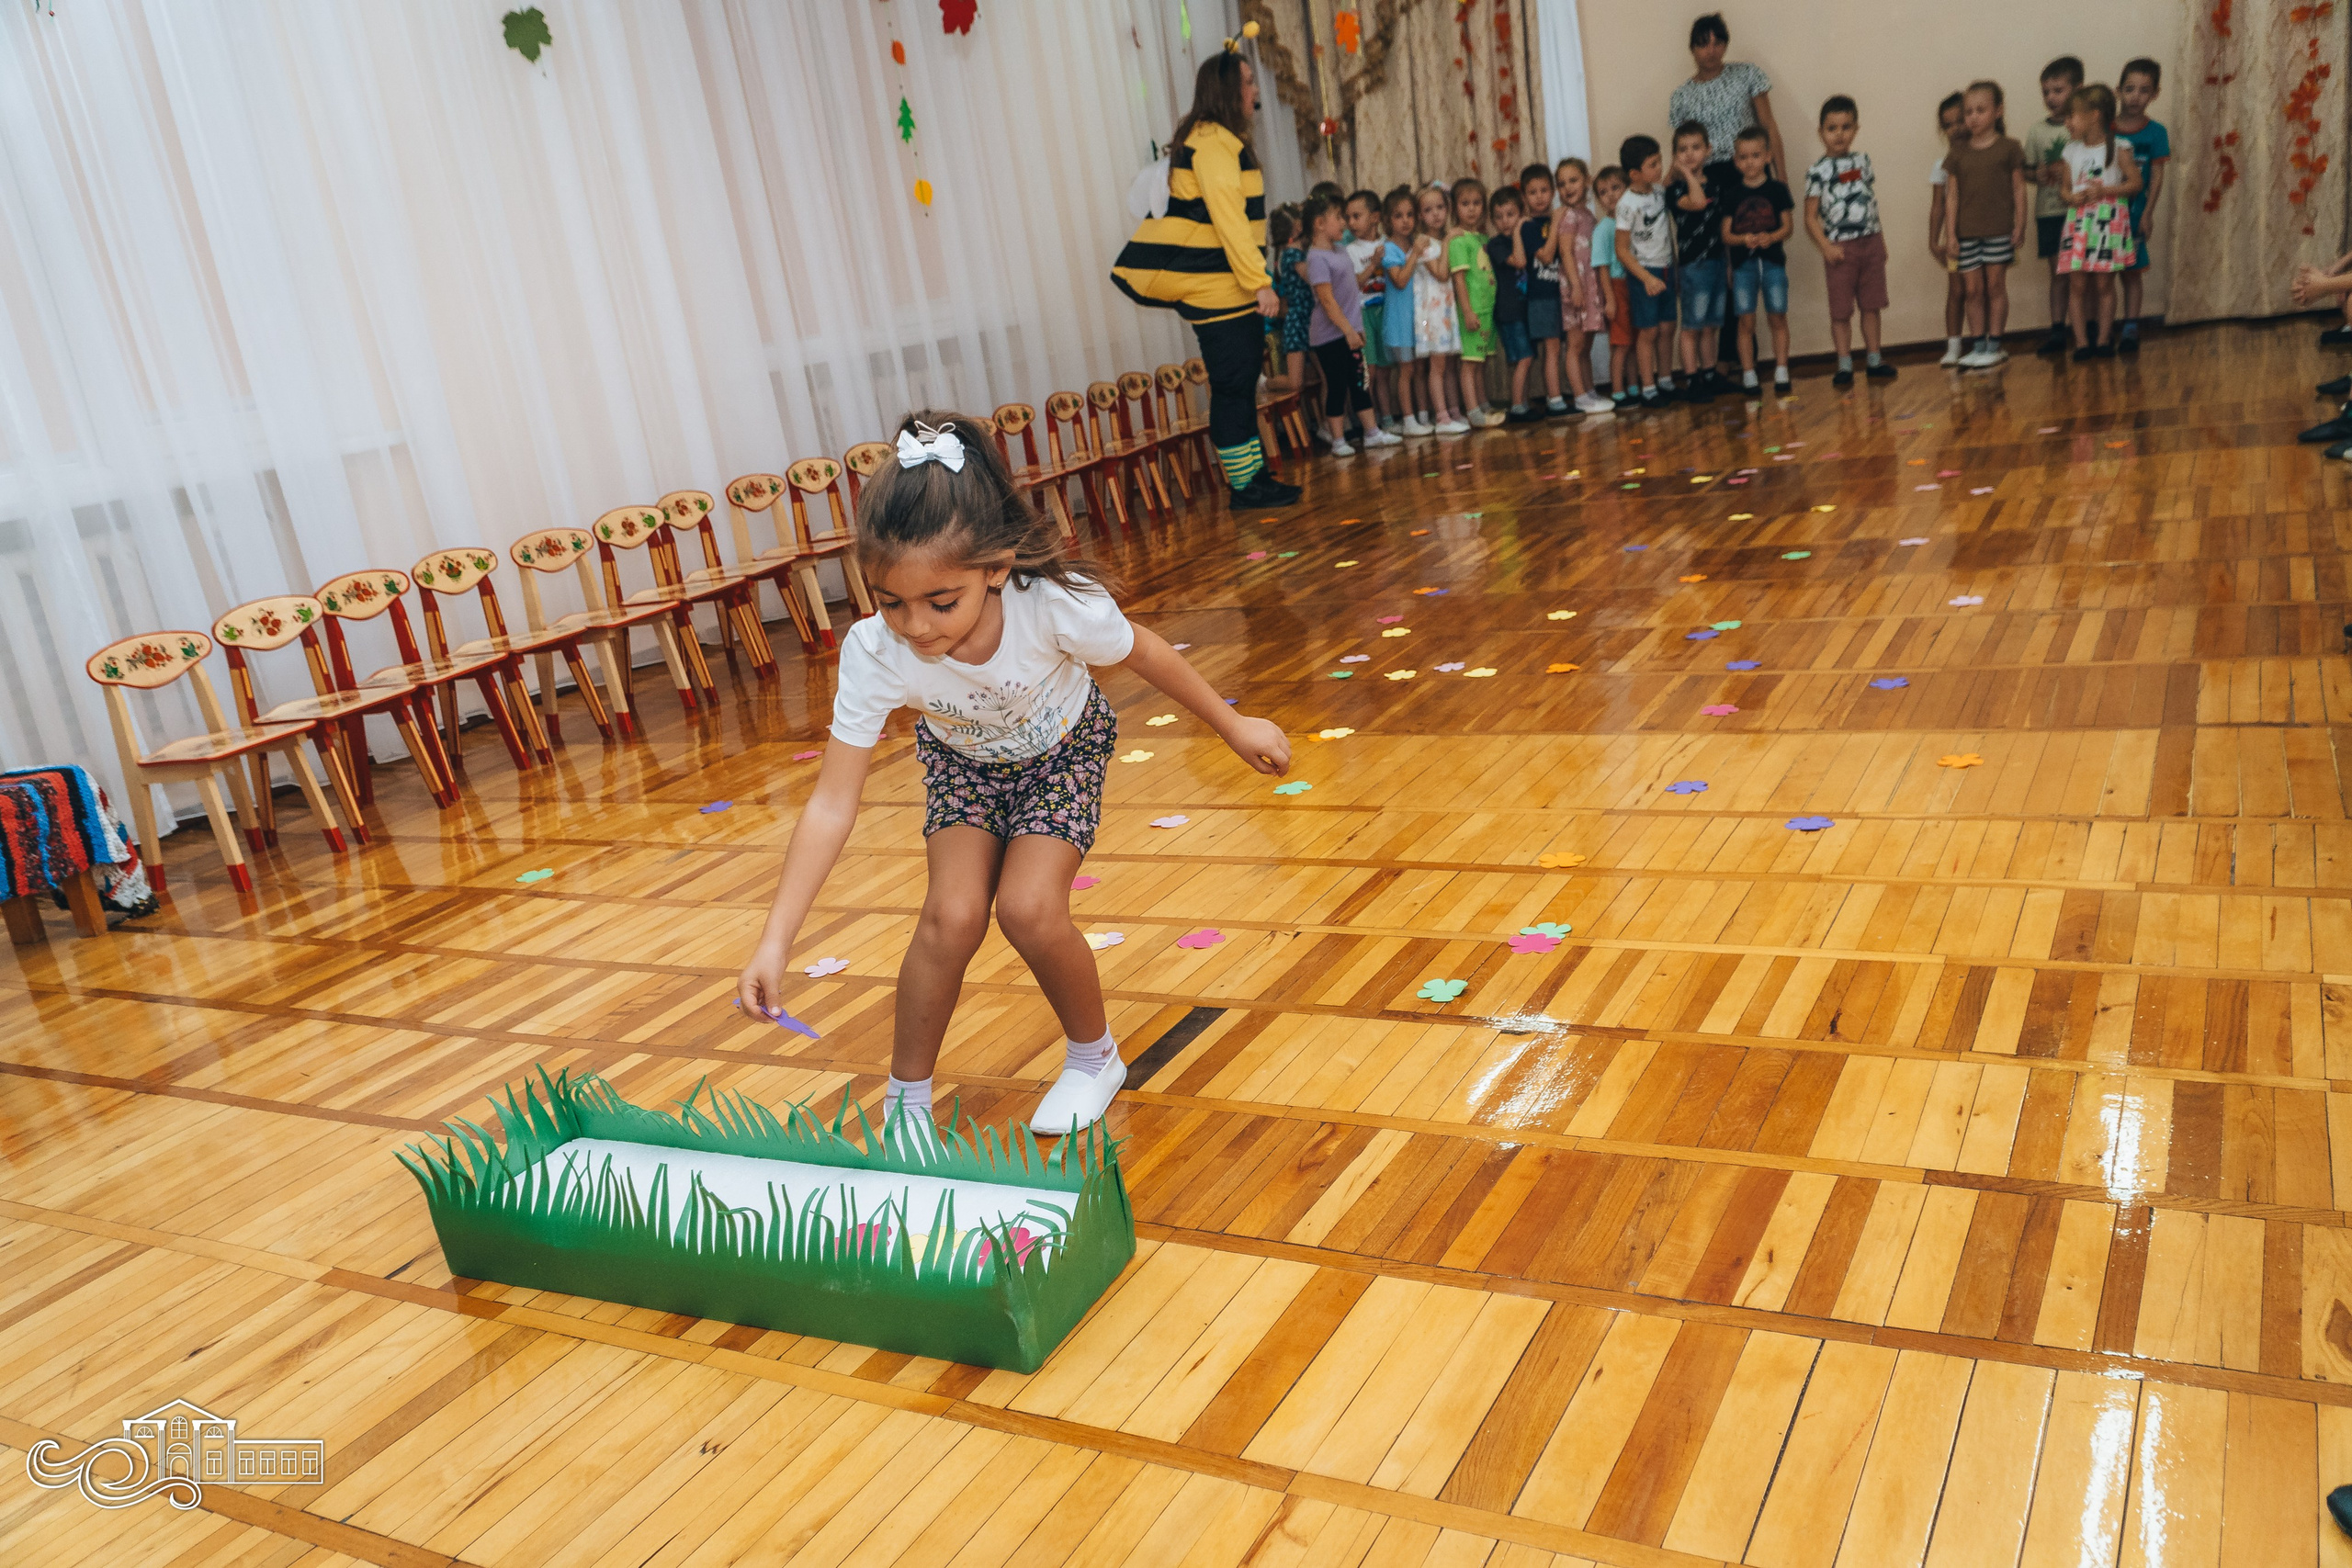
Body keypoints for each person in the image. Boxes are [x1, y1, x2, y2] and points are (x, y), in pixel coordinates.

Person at [734, 413, 1292, 1138]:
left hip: (1062, 750)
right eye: (890, 601)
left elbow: (1145, 652)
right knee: (950, 917)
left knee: (1028, 908)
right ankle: (907, 1104)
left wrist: (1232, 723)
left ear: (995, 567)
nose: (917, 627)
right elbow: (832, 803)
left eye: (941, 602)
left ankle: (1094, 1058)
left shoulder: (1052, 605)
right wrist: (776, 939)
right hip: (964, 765)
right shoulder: (876, 652)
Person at [1112, 51, 1296, 506]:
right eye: (1249, 82)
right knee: (1234, 386)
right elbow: (1229, 219)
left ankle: (1254, 476)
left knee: (1242, 382)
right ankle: (1243, 487)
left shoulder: (1220, 139)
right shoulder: (1212, 141)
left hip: (1227, 289)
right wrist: (1261, 281)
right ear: (1229, 90)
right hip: (1220, 291)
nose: (1255, 90)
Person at [1670, 13, 1783, 372]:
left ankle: (1738, 360)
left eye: (1718, 41)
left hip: (1747, 173)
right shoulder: (1682, 95)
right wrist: (1658, 189)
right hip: (1705, 179)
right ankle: (1714, 362)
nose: (1711, 49)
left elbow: (1768, 127)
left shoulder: (1747, 74)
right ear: (1692, 48)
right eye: (1703, 42)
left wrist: (1779, 177)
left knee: (1746, 262)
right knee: (1718, 266)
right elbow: (1680, 151)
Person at [1804, 96, 1896, 388]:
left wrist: (1880, 241)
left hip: (1870, 244)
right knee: (1841, 310)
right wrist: (1826, 247)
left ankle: (1874, 360)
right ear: (1821, 133)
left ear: (1855, 129)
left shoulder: (1862, 162)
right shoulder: (1817, 171)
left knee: (1872, 306)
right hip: (1840, 250)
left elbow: (1869, 202)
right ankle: (1844, 365)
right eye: (1832, 128)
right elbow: (1810, 217)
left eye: (1846, 127)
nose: (1839, 134)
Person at [1304, 197, 1402, 455]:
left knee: (1360, 381)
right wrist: (1347, 330)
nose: (1344, 224)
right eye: (1338, 218)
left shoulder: (1340, 251)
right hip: (1330, 336)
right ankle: (1337, 440)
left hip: (1351, 330)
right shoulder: (1316, 258)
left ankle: (1371, 433)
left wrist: (1373, 265)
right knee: (1337, 385)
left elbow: (1353, 284)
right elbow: (1326, 299)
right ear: (1320, 224)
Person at [1941, 80, 2027, 369]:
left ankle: (1995, 344)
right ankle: (1978, 344)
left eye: (1981, 110)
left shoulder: (2009, 148)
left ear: (1998, 111)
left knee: (1995, 287)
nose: (1973, 117)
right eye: (1969, 111)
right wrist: (1951, 234)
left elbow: (2018, 190)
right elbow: (1951, 196)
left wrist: (2020, 225)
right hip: (1966, 235)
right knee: (1973, 291)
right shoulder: (1957, 153)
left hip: (1999, 232)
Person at [2055, 84, 2141, 359]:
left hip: (2108, 222)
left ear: (2094, 115)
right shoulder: (2071, 151)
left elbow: (2135, 183)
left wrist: (2105, 191)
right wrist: (2072, 197)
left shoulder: (2119, 148)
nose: (2067, 122)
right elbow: (2064, 189)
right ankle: (2081, 343)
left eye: (2072, 116)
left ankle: (2104, 340)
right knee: (2077, 286)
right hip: (2080, 224)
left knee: (2105, 285)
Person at [1721, 126, 1794, 394]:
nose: (1750, 161)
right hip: (1743, 267)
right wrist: (1744, 240)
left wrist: (1771, 237)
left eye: (1755, 155)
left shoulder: (1777, 190)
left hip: (1773, 263)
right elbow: (1726, 234)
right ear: (1736, 160)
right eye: (1744, 157)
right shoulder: (1732, 194)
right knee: (1746, 321)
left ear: (1767, 157)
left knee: (1778, 316)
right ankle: (1749, 374)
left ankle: (1782, 371)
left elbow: (1788, 227)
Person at [2026, 57, 2086, 355]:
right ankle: (2058, 331)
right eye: (2046, 92)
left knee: (2084, 273)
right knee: (2059, 275)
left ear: (2078, 89)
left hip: (2080, 211)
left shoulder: (2086, 128)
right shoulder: (2037, 131)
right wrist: (2035, 174)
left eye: (2058, 90)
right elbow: (2026, 170)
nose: (2051, 97)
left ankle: (2088, 333)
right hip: (2049, 213)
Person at [1614, 134, 1677, 410]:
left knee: (1667, 328)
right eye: (1653, 164)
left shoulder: (1659, 192)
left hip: (1666, 268)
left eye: (1660, 160)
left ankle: (1665, 380)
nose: (1659, 167)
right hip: (1644, 274)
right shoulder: (1626, 205)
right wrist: (1646, 278)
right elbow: (1622, 250)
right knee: (1648, 332)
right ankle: (1648, 387)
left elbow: (1670, 177)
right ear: (1634, 173)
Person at [1666, 121, 1726, 402]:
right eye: (1682, 150)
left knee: (1710, 326)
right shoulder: (1676, 190)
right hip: (1693, 265)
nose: (1689, 154)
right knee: (1691, 326)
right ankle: (1692, 380)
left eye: (1696, 148)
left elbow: (1720, 226)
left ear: (1708, 150)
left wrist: (1727, 265)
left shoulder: (1716, 184)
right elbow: (1698, 202)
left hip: (1716, 261)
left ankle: (1710, 374)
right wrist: (1686, 174)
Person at [2113, 58, 2170, 353]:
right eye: (2129, 88)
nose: (2135, 96)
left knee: (2131, 272)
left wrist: (2148, 213)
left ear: (2155, 94)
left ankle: (2131, 327)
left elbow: (2157, 176)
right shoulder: (2105, 129)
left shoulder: (2156, 132)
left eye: (2144, 90)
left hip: (2135, 213)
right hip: (2105, 214)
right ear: (2117, 91)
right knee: (2104, 273)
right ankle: (2102, 329)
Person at [1555, 158, 1614, 414]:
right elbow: (1566, 252)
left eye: (1573, 180)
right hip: (1575, 286)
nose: (1567, 187)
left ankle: (1589, 391)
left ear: (1586, 181)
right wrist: (1576, 287)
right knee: (1576, 343)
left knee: (1586, 344)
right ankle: (1579, 395)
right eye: (1562, 183)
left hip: (1589, 286)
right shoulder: (1568, 215)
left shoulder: (1588, 215)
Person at [1447, 180, 1509, 427]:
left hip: (1487, 310)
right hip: (1472, 311)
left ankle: (1483, 404)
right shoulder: (1458, 241)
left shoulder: (1483, 238)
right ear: (1455, 208)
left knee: (1481, 360)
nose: (1471, 209)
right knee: (1470, 363)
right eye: (1465, 204)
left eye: (1476, 203)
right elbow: (1459, 281)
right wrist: (1468, 311)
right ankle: (1473, 411)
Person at [1514, 164, 1569, 418]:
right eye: (1533, 192)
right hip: (1541, 297)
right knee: (1552, 347)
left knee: (1560, 347)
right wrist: (1557, 223)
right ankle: (1555, 399)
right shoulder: (1528, 226)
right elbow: (1546, 256)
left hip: (1561, 293)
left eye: (1545, 190)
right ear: (1525, 197)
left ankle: (1564, 394)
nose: (1540, 196)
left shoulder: (1558, 218)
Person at [1412, 185, 1467, 433]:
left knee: (1450, 365)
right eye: (1428, 210)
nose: (1436, 214)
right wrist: (1446, 242)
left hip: (1446, 311)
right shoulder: (1423, 243)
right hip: (1431, 314)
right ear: (1420, 215)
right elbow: (1442, 274)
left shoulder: (1441, 240)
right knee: (1438, 366)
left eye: (1440, 207)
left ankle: (1454, 411)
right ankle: (1442, 417)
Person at [1380, 188, 1432, 434]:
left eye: (1410, 215)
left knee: (1421, 368)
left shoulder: (1413, 244)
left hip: (1418, 318)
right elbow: (1399, 280)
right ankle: (1408, 420)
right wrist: (1414, 253)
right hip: (1400, 320)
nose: (1405, 221)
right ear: (1388, 220)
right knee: (1407, 369)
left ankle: (1423, 416)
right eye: (1398, 216)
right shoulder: (1389, 249)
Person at [1344, 190, 1396, 428]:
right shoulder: (1351, 250)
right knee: (1370, 372)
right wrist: (1373, 264)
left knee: (1385, 371)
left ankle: (1387, 417)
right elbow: (1354, 283)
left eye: (1357, 216)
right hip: (1364, 313)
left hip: (1386, 310)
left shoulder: (1388, 243)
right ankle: (1369, 422)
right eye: (1348, 217)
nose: (1351, 223)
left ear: (1375, 217)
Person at [1486, 186, 1535, 420]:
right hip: (1509, 311)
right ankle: (1517, 407)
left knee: (1525, 360)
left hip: (1525, 309)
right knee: (1523, 358)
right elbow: (1519, 261)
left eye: (1510, 215)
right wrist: (1517, 232)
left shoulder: (1524, 237)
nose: (1505, 221)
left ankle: (1523, 404)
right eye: (1498, 217)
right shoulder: (1496, 244)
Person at [1928, 92, 1968, 365]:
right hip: (1957, 238)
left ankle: (1986, 340)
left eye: (1960, 120)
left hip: (1986, 236)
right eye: (1948, 124)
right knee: (1957, 291)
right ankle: (1953, 346)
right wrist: (1934, 241)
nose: (1955, 129)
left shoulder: (1986, 156)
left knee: (1985, 290)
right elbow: (1938, 206)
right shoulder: (1941, 166)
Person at [1591, 166, 1634, 406]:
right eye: (1603, 192)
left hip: (1634, 284)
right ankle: (1618, 391)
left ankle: (1635, 386)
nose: (1611, 195)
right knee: (1620, 343)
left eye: (1616, 188)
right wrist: (1610, 299)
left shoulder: (1631, 220)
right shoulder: (1603, 229)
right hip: (1617, 288)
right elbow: (1602, 268)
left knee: (1635, 341)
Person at [1265, 207, 1315, 408]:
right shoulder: (1291, 255)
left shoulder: (1298, 253)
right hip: (1297, 324)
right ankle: (1264, 384)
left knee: (1318, 376)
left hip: (1310, 319)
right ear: (1296, 229)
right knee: (1296, 383)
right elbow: (1312, 277)